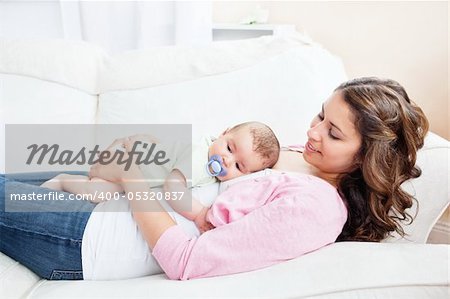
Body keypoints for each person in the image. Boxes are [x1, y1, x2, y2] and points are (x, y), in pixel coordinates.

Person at [0, 77, 429, 281]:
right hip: (107, 202)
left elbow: (188, 259)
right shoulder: (300, 157)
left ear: (363, 160)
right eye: (321, 115)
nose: (313, 131)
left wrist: (133, 177)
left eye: (334, 133)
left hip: (93, 237)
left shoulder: (315, 207)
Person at [40, 121, 280, 233]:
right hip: (124, 160)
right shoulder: (199, 158)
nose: (227, 161)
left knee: (99, 190)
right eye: (229, 148)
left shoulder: (208, 158)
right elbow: (173, 187)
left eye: (238, 165)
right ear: (223, 132)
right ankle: (62, 180)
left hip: (132, 165)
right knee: (97, 193)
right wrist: (198, 214)